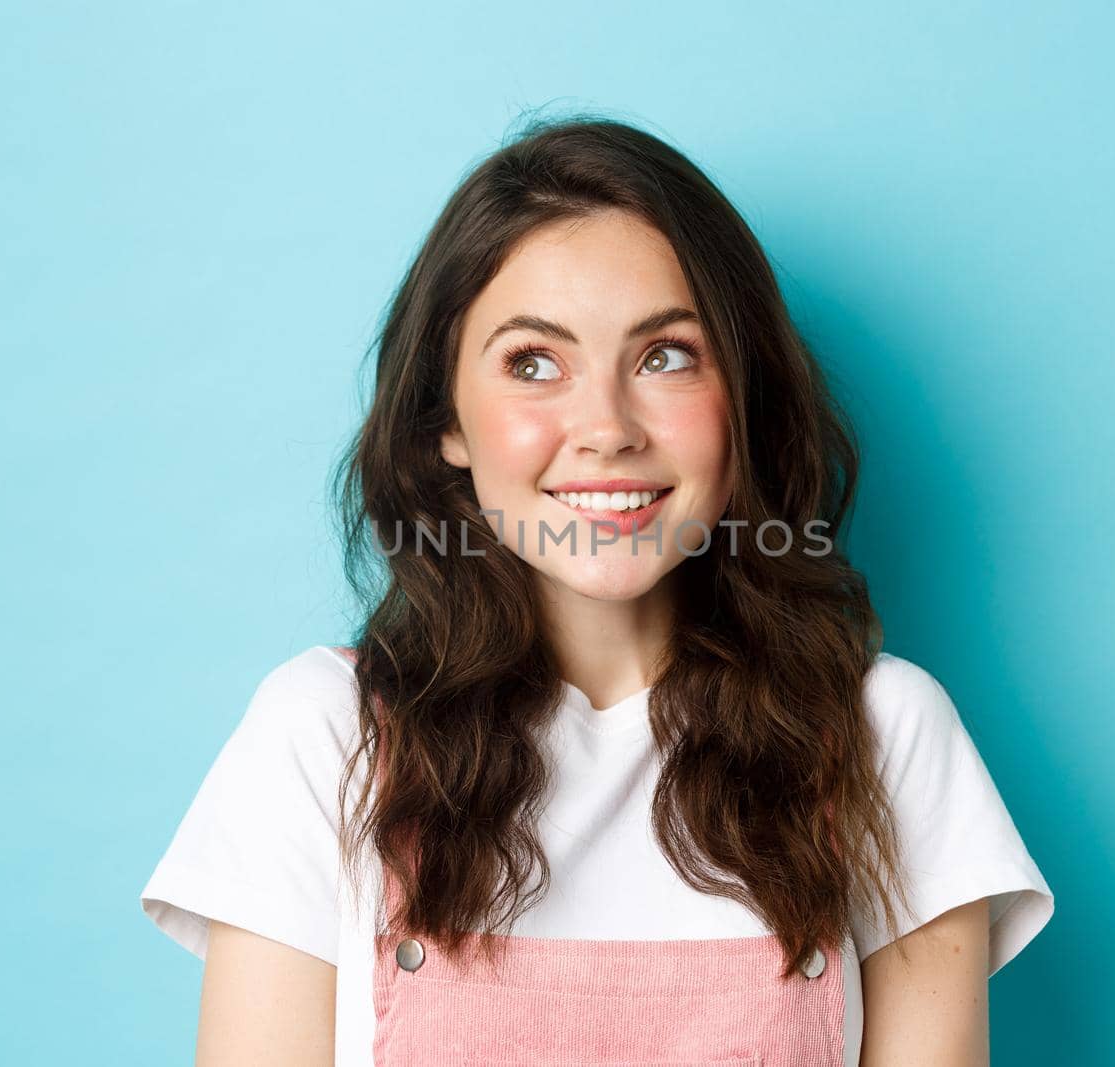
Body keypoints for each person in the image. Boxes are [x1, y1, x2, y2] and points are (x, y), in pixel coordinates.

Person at [141, 115, 1055, 1066]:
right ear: (444, 421)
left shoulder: (883, 736)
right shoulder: (324, 735)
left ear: (743, 401)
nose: (606, 428)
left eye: (666, 355)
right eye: (534, 362)